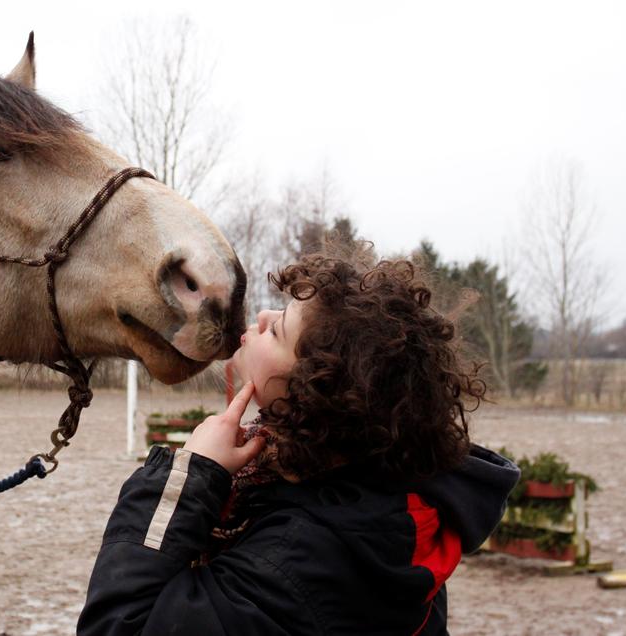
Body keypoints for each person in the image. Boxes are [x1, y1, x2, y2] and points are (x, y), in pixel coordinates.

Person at [79, 254, 520, 635]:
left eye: (278, 332)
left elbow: (120, 625)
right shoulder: (381, 504)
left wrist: (188, 477)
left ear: (315, 393)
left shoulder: (300, 562)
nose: (263, 317)